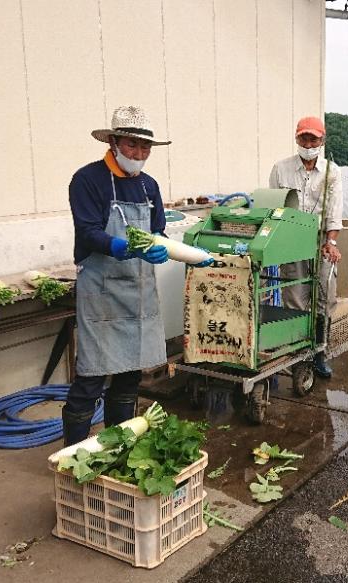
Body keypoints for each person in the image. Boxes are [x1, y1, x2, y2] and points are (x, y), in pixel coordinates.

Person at [64, 106, 207, 445]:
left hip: (138, 294)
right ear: (113, 142)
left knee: (130, 377)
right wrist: (123, 246)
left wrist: (177, 253)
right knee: (90, 379)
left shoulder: (148, 186)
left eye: (145, 148)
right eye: (132, 145)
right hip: (101, 293)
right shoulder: (87, 179)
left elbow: (158, 232)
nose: (139, 154)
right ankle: (72, 457)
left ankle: (116, 449)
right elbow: (87, 232)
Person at [269, 116, 343, 379]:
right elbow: (274, 207)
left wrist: (330, 242)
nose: (308, 143)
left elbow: (334, 212)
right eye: (304, 138)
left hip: (322, 240)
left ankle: (320, 352)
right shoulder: (280, 168)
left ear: (322, 141)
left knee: (325, 298)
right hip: (291, 241)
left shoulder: (332, 171)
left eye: (313, 138)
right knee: (294, 298)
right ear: (296, 138)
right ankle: (297, 354)